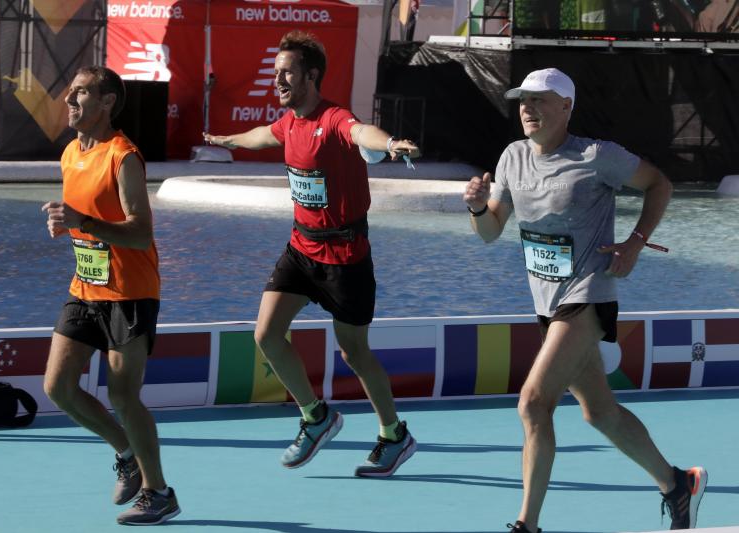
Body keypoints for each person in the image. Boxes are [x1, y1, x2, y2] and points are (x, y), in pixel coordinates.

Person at [463, 68, 706, 533]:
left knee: (534, 404)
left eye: (539, 100)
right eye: (522, 101)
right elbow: (491, 231)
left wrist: (635, 242)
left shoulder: (597, 156)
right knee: (600, 412)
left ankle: (526, 526)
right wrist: (477, 207)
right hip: (546, 303)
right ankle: (678, 486)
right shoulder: (513, 157)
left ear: (566, 107)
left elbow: (660, 184)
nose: (527, 109)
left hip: (587, 295)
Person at [204, 30, 420, 477]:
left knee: (354, 353)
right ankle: (315, 416)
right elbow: (265, 134)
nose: (278, 79)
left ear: (311, 76)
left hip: (346, 256)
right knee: (266, 335)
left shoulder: (334, 118)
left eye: (287, 72)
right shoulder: (290, 123)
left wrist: (391, 143)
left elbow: (362, 131)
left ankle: (394, 435)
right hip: (301, 248)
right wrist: (230, 140)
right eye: (276, 72)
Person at [41, 66, 179, 526]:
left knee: (123, 395)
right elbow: (82, 219)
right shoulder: (69, 154)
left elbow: (140, 234)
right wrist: (64, 224)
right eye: (71, 91)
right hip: (85, 287)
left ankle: (159, 492)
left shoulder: (125, 157)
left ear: (106, 104)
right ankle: (126, 452)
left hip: (129, 292)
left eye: (81, 93)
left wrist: (83, 222)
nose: (70, 99)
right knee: (57, 387)